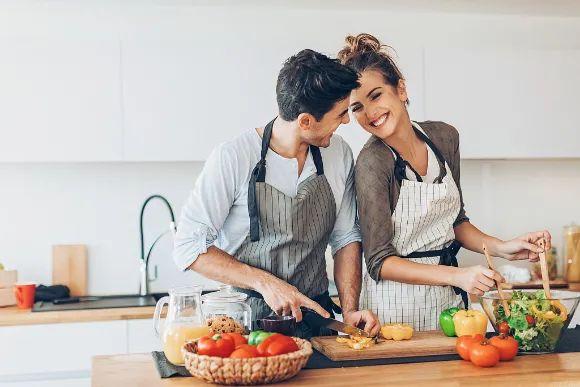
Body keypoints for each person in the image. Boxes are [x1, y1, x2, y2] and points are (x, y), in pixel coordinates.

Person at [337, 33, 551, 330]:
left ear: (400, 89)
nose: (369, 113)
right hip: (393, 312)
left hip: (449, 305)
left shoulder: (444, 138)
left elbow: (456, 222)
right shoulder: (372, 162)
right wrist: (458, 276)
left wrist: (502, 248)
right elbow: (378, 262)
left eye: (375, 95)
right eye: (356, 107)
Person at [173, 49, 381, 338]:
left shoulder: (339, 153)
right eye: (340, 114)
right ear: (306, 121)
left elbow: (345, 238)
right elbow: (188, 247)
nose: (346, 121)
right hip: (245, 325)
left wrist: (349, 311)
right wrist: (266, 283)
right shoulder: (234, 157)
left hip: (315, 320)